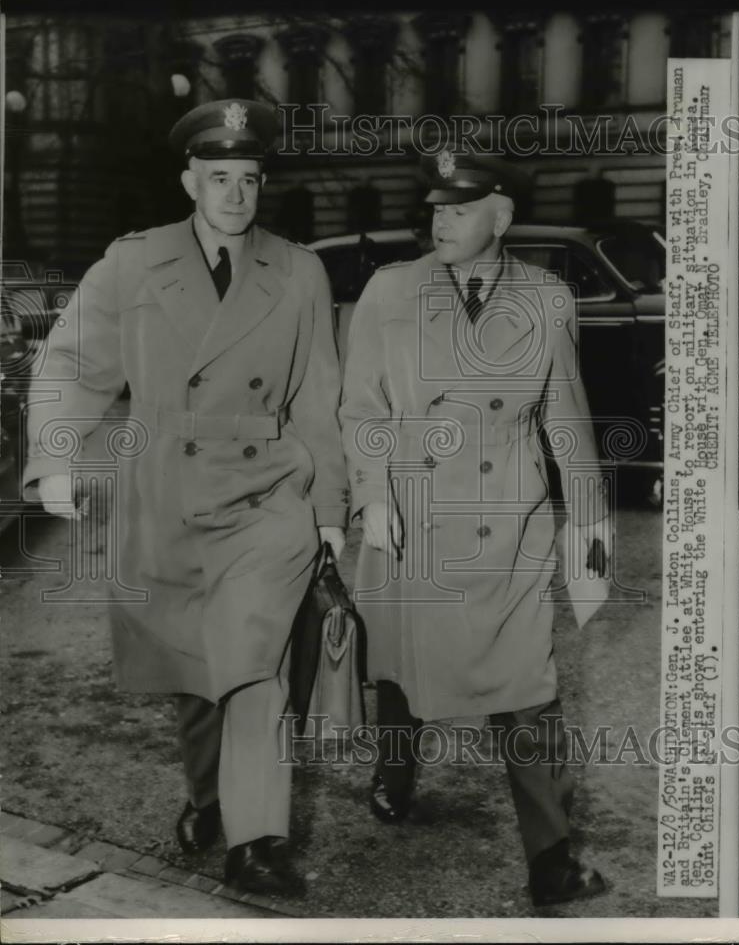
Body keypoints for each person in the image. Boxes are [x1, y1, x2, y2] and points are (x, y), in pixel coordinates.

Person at [24, 99, 348, 896]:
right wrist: (57, 456)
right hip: (165, 492)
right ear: (189, 180)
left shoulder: (299, 269)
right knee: (199, 671)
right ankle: (212, 800)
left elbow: (318, 400)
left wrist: (332, 512)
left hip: (267, 490)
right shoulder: (133, 263)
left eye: (248, 179)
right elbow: (73, 362)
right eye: (218, 178)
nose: (235, 195)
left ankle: (258, 839)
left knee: (254, 664)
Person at [339, 147, 611, 907]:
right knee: (398, 671)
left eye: (459, 209)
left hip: (507, 518)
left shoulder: (549, 297)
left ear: (502, 215)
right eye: (433, 208)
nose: (440, 221)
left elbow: (566, 417)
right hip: (410, 511)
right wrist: (372, 497)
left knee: (528, 687)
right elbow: (360, 408)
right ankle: (395, 772)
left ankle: (551, 858)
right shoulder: (389, 291)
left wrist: (585, 525)